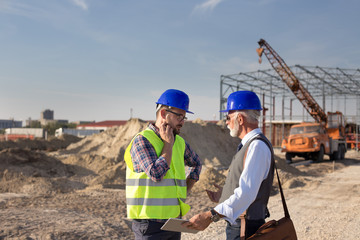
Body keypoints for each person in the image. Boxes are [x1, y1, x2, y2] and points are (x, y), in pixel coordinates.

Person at [183, 90, 274, 240]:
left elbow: (246, 193)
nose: (226, 122)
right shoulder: (249, 145)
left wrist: (210, 215)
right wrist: (224, 195)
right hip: (241, 225)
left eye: (227, 117)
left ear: (239, 119)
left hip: (246, 228)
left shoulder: (256, 146)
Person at [124, 89, 202, 240]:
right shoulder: (142, 140)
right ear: (163, 114)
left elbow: (197, 164)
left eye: (184, 117)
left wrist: (186, 189)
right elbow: (156, 174)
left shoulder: (179, 142)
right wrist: (167, 144)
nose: (183, 121)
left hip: (173, 223)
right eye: (179, 116)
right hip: (149, 225)